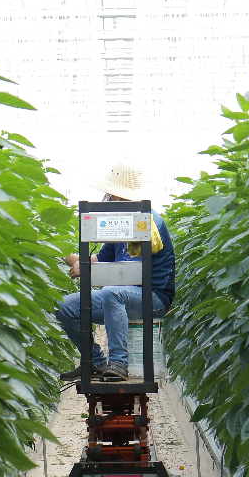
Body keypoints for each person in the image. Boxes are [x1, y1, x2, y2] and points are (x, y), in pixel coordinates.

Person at [55, 161, 176, 381]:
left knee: (113, 291)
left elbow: (127, 273)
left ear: (119, 198)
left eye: (108, 195)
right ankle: (95, 362)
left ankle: (119, 363)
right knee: (64, 307)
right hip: (120, 297)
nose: (105, 200)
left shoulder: (147, 222)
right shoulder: (119, 225)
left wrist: (86, 269)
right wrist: (62, 254)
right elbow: (99, 259)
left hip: (153, 297)